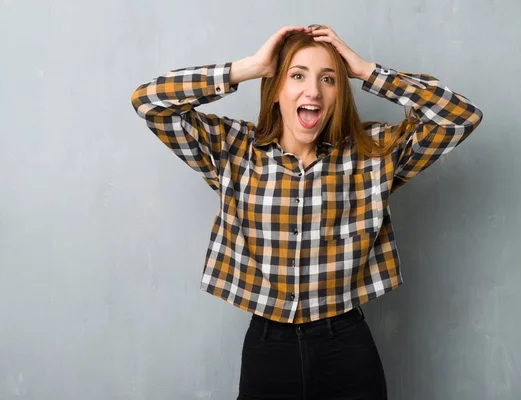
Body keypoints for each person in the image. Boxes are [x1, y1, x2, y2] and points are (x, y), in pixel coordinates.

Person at [131, 24, 483, 400]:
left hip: (346, 344)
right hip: (268, 347)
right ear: (276, 89)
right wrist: (249, 68)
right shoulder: (232, 149)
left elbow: (460, 117)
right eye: (297, 75)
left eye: (328, 79)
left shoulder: (372, 154)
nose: (313, 90)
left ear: (339, 94)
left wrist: (366, 71)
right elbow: (149, 102)